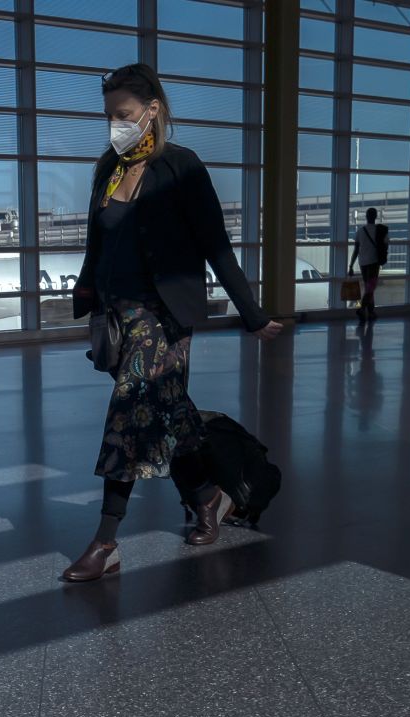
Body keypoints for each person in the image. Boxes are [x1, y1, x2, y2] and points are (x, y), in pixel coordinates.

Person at [62, 63, 283, 583]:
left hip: (165, 316)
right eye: (109, 117)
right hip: (121, 314)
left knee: (127, 414)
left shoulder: (182, 167)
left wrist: (252, 315)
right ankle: (208, 497)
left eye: (124, 114)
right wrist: (88, 295)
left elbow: (216, 247)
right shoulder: (109, 170)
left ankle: (106, 540)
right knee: (166, 414)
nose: (116, 125)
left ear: (152, 110)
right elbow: (98, 244)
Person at [350, 207, 388, 322]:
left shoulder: (360, 231)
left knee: (369, 287)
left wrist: (351, 265)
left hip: (363, 263)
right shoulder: (380, 230)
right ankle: (362, 309)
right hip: (374, 263)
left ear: (366, 217)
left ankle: (371, 312)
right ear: (375, 217)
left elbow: (356, 250)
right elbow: (386, 244)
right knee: (370, 288)